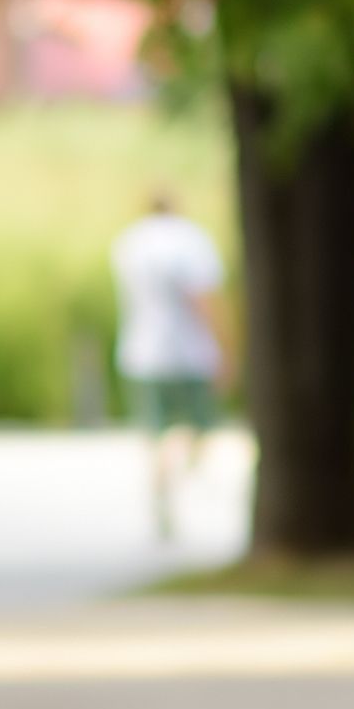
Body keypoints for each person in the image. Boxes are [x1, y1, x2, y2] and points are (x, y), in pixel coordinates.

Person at [112, 193, 228, 539]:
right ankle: (179, 475)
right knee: (198, 426)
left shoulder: (130, 242)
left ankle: (162, 489)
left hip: (142, 352)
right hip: (188, 352)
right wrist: (226, 346)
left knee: (155, 431)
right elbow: (203, 298)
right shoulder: (191, 240)